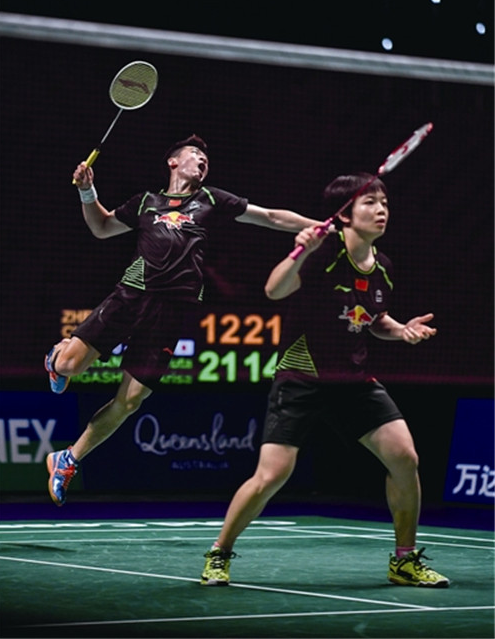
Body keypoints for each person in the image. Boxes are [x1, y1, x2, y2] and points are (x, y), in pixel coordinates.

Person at [200, 172, 450, 588]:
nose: (382, 210)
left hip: (353, 380)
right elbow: (274, 290)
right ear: (345, 215)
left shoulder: (383, 268)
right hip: (302, 378)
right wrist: (300, 251)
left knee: (405, 457)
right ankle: (219, 552)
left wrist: (401, 329)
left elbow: (374, 320)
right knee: (271, 476)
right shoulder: (324, 254)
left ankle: (404, 560)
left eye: (384, 202)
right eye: (370, 202)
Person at [44, 134, 322, 507]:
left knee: (131, 400)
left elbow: (270, 216)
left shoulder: (211, 199)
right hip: (131, 296)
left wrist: (322, 228)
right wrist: (87, 191)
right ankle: (56, 358)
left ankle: (69, 458)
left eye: (206, 158)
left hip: (174, 310)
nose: (203, 161)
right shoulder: (146, 202)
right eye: (195, 154)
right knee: (69, 367)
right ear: (173, 162)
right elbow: (103, 227)